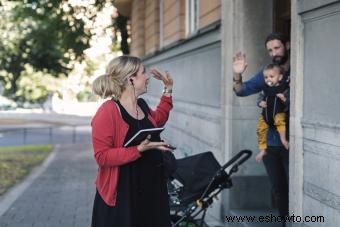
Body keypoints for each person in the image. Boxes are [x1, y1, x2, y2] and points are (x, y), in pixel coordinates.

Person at [90, 55, 175, 227]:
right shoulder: (108, 111)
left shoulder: (142, 105)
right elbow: (102, 156)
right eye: (143, 72)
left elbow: (158, 119)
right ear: (130, 79)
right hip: (124, 193)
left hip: (153, 188)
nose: (147, 77)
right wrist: (138, 150)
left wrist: (168, 89)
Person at [232, 32, 290, 223]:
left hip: (293, 142)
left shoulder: (298, 68)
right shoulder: (267, 73)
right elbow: (241, 90)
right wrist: (238, 74)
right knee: (279, 190)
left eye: (277, 48)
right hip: (273, 144)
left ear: (287, 45)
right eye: (270, 50)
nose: (274, 53)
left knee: (294, 188)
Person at [256, 63, 289, 162]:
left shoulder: (284, 88)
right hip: (266, 115)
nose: (268, 79)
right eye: (266, 77)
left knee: (280, 122)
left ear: (279, 77)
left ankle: (283, 140)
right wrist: (260, 103)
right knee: (260, 128)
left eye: (271, 76)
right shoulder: (264, 89)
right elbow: (259, 98)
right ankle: (262, 150)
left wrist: (283, 98)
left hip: (278, 113)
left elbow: (288, 100)